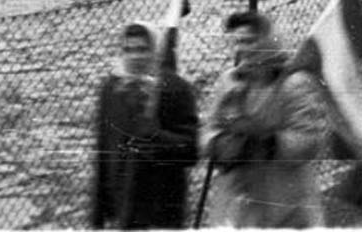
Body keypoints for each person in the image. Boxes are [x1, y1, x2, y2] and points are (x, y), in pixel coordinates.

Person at [201, 12, 327, 229]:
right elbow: (209, 128)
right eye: (238, 42)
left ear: (268, 41)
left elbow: (309, 140)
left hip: (285, 198)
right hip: (238, 197)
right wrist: (218, 144)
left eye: (250, 41)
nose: (243, 48)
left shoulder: (294, 83)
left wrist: (267, 142)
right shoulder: (229, 82)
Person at [91, 22, 200, 230]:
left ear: (155, 51)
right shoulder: (111, 90)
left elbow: (191, 151)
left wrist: (156, 137)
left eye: (142, 49)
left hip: (161, 208)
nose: (135, 57)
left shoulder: (175, 89)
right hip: (123, 207)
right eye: (128, 50)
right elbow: (103, 152)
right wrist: (99, 214)